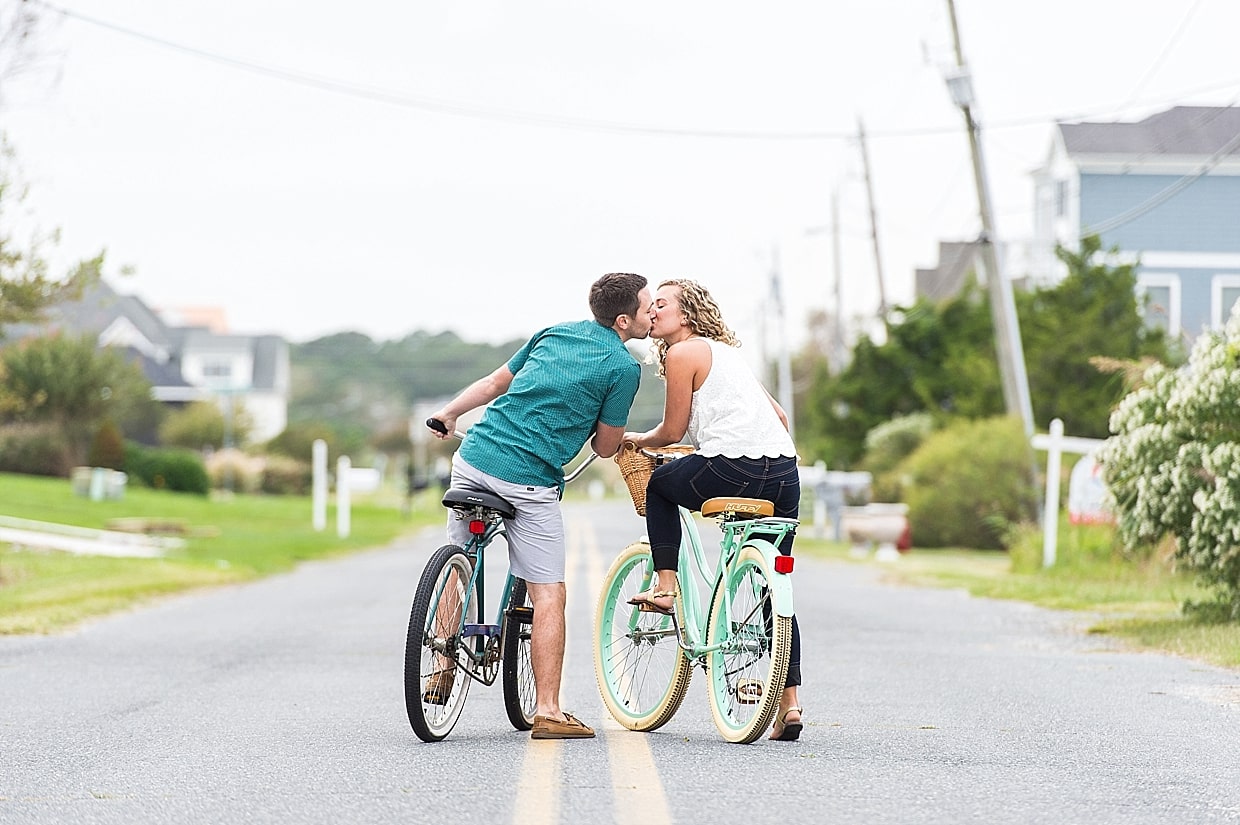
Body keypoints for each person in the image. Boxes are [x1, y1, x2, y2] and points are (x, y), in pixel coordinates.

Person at [427, 272, 653, 740]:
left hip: (473, 461)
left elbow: (494, 383)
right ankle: (548, 710)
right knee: (549, 593)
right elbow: (608, 446)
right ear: (624, 320)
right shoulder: (622, 367)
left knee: (459, 565)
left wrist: (450, 413)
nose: (654, 313)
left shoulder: (553, 332)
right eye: (649, 307)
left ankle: (440, 665)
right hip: (528, 482)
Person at [622, 278, 805, 742]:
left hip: (732, 470)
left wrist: (639, 442)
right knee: (771, 584)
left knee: (661, 486)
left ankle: (665, 588)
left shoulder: (683, 353)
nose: (654, 311)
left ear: (685, 315)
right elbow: (779, 417)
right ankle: (790, 706)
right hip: (784, 473)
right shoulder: (728, 355)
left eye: (662, 304)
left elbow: (671, 428)